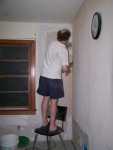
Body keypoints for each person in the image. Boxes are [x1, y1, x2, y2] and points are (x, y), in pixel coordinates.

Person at [37, 29, 72, 133]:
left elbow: (55, 62)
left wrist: (67, 48)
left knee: (45, 99)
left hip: (44, 76)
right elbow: (65, 69)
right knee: (54, 102)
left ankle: (44, 122)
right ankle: (52, 125)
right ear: (67, 39)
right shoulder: (63, 49)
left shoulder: (52, 44)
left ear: (58, 36)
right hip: (54, 79)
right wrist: (69, 67)